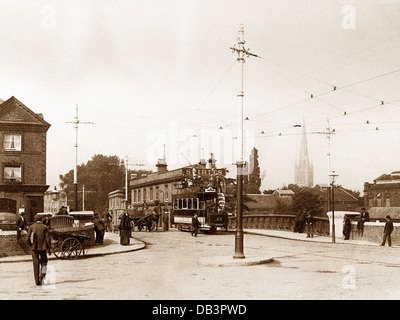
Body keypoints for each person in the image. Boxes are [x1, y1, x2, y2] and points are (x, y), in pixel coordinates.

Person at [27, 215, 52, 286]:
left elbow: (27, 238)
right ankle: (42, 278)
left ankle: (37, 281)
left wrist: (30, 246)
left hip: (34, 248)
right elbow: (47, 239)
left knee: (35, 263)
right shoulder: (44, 227)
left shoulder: (31, 227)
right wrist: (49, 248)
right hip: (43, 248)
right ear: (41, 220)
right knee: (44, 262)